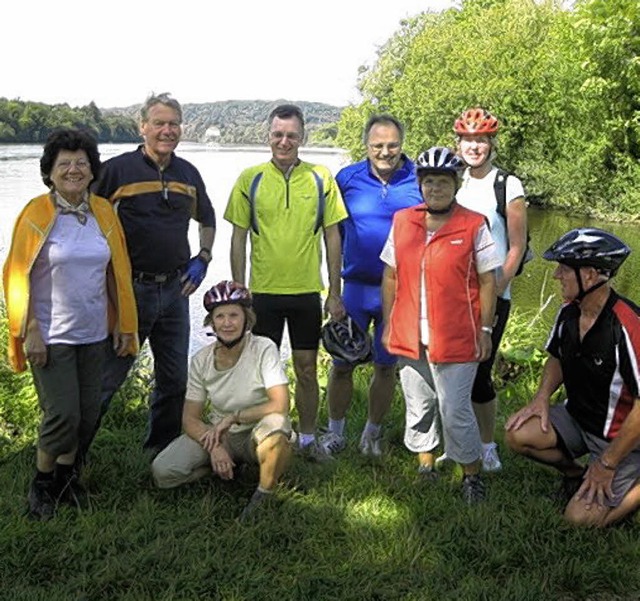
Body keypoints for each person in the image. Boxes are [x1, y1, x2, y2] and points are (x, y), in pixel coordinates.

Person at [3, 128, 138, 520]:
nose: (74, 170)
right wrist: (30, 330)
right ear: (50, 173)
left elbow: (117, 273)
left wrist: (122, 323)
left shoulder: (103, 212)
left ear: (92, 169)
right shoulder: (35, 214)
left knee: (87, 414)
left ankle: (66, 481)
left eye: (81, 162)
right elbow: (15, 275)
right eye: (65, 164)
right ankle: (41, 485)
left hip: (94, 332)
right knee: (62, 414)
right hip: (50, 334)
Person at [91, 93, 216, 457]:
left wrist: (204, 257)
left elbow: (207, 218)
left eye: (173, 124)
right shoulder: (116, 171)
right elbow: (83, 217)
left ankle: (159, 452)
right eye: (159, 123)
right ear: (142, 126)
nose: (166, 130)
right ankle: (69, 460)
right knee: (106, 380)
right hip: (129, 290)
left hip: (177, 290)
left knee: (175, 381)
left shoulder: (188, 173)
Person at [224, 104, 347, 462]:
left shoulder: (321, 177)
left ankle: (307, 439)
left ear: (302, 137)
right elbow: (238, 238)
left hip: (307, 291)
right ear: (268, 136)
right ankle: (266, 438)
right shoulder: (251, 178)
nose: (284, 141)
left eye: (291, 135)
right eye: (278, 134)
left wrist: (334, 292)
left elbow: (333, 237)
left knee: (307, 369)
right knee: (262, 375)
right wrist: (238, 292)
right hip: (262, 293)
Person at [380, 147, 500, 503]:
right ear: (419, 184)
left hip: (457, 334)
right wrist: (388, 324)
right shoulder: (403, 221)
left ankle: (471, 475)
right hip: (410, 331)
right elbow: (390, 276)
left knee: (454, 408)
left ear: (456, 183)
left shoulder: (474, 224)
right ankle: (426, 465)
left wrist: (486, 330)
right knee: (419, 404)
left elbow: (489, 281)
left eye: (443, 181)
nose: (436, 188)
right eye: (429, 181)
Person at [505, 228, 640, 527]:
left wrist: (608, 463)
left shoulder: (628, 327)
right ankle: (575, 473)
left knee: (579, 520)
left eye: (564, 268)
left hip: (622, 439)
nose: (556, 275)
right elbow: (557, 355)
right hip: (580, 419)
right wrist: (541, 398)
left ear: (590, 276)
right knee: (518, 433)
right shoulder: (569, 312)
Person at [319, 114, 422, 458]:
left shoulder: (419, 178)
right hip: (356, 289)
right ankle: (335, 432)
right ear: (366, 145)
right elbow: (331, 235)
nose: (385, 152)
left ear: (401, 144)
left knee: (385, 365)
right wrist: (332, 291)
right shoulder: (346, 178)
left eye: (392, 145)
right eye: (378, 145)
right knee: (342, 364)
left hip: (401, 291)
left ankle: (372, 434)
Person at [151, 281, 292, 521]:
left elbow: (281, 404)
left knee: (277, 428)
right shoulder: (201, 360)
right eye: (220, 316)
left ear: (246, 319)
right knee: (163, 472)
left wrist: (235, 417)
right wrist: (215, 448)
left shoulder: (263, 348)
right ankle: (225, 468)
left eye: (234, 315)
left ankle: (263, 495)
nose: (227, 323)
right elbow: (190, 419)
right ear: (212, 322)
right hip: (220, 435)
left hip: (255, 432)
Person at [453, 107, 528, 472]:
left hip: (492, 294)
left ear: (490, 143)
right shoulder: (454, 181)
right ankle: (455, 441)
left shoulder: (507, 185)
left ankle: (486, 445)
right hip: (453, 295)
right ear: (459, 144)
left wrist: (498, 289)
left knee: (480, 372)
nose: (474, 146)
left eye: (480, 139)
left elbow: (517, 245)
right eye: (468, 140)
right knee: (452, 371)